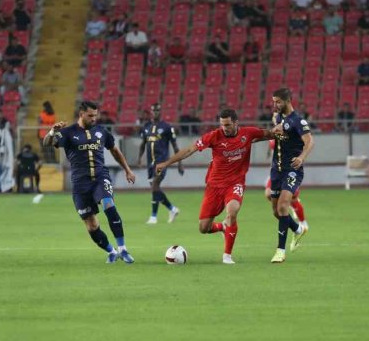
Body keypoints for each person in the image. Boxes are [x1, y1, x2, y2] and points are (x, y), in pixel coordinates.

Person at [155, 109, 272, 264]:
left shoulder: (248, 133)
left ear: (236, 123)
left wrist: (286, 133)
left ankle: (227, 256)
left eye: (228, 125)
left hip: (235, 183)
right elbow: (190, 149)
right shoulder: (214, 136)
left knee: (232, 211)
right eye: (222, 124)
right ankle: (222, 227)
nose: (225, 128)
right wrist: (166, 163)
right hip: (214, 186)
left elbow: (268, 134)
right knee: (204, 228)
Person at [42, 101, 137, 263]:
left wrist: (127, 169)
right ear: (81, 114)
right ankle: (111, 251)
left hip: (101, 177)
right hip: (80, 184)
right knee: (92, 225)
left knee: (109, 205)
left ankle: (123, 250)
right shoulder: (68, 132)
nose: (94, 118)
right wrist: (52, 132)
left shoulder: (102, 132)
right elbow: (47, 143)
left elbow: (115, 150)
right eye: (90, 116)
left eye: (95, 115)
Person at [268, 88, 314, 263]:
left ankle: (280, 251)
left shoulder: (298, 121)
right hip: (276, 170)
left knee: (283, 206)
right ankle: (297, 229)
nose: (275, 105)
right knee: (276, 212)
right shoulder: (279, 118)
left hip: (292, 169)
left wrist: (301, 158)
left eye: (278, 102)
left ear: (287, 101)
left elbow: (310, 141)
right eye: (274, 101)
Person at [137, 103, 184, 224]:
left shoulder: (167, 127)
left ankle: (153, 216)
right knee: (155, 189)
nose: (155, 112)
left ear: (160, 111)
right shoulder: (146, 126)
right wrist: (139, 158)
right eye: (154, 110)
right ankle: (172, 209)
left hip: (162, 162)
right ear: (151, 112)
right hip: (150, 163)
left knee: (155, 186)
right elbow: (143, 144)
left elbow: (175, 146)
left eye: (158, 110)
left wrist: (180, 163)